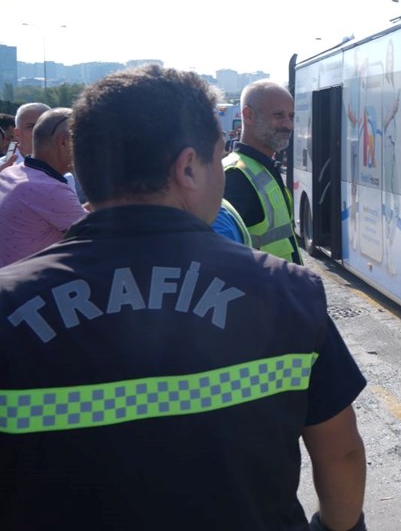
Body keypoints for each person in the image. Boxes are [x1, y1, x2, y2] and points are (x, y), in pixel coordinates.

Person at [0, 66, 367, 530]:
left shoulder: (9, 304)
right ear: (189, 167)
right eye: (219, 157)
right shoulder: (290, 293)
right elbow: (342, 452)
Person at [224, 79, 303, 264]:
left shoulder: (263, 167)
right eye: (278, 115)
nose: (288, 125)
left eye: (291, 116)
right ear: (248, 115)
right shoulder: (235, 176)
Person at [0, 108, 88, 268]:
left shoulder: (12, 172)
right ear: (63, 141)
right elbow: (101, 234)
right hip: (28, 288)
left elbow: (71, 213)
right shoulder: (50, 189)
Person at [0, 102, 49, 173]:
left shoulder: (64, 174)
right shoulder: (2, 168)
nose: (38, 131)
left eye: (45, 125)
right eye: (31, 126)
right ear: (17, 133)